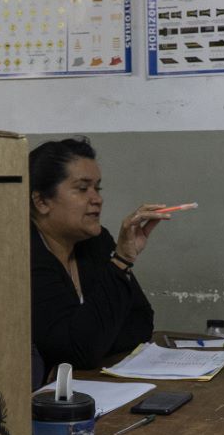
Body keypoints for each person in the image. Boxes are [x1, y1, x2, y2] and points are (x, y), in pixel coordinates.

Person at [29, 137, 166, 372]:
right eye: (82, 189)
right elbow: (74, 352)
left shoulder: (96, 241)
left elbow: (142, 322)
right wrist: (121, 260)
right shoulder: (26, 255)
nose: (97, 199)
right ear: (42, 201)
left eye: (97, 188)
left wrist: (96, 342)